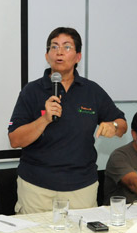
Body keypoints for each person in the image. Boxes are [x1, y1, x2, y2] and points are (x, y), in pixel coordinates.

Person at [8, 27, 127, 214]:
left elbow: (122, 124)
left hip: (81, 188)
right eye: (54, 47)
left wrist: (113, 126)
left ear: (78, 56)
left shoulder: (91, 91)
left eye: (67, 47)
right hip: (37, 189)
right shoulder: (31, 91)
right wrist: (45, 119)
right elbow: (15, 140)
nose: (59, 52)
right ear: (47, 55)